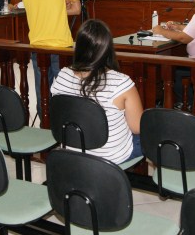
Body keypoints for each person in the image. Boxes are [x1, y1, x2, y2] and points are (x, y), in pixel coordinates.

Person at [51, 19, 143, 164]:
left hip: (72, 149)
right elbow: (137, 127)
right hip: (110, 157)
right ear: (108, 48)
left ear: (78, 46)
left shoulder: (62, 75)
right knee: (147, 136)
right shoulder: (121, 82)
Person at [18, 0, 81, 117]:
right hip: (61, 44)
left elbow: (38, 6)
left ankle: (45, 125)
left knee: (42, 90)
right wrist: (62, 8)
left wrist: (58, 7)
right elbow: (76, 9)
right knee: (66, 91)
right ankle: (66, 125)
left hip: (37, 44)